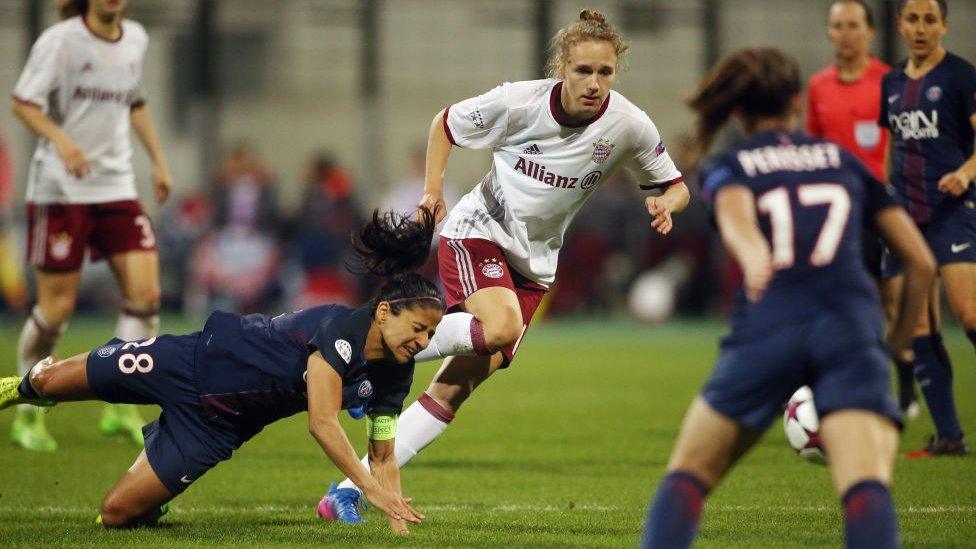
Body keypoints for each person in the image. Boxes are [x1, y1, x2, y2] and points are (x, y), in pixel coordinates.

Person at [324, 9, 690, 521]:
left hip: (535, 264)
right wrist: (433, 192)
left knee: (453, 391)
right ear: (562, 66)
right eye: (583, 70)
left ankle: (345, 489)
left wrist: (665, 204)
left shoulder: (627, 124)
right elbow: (444, 123)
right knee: (499, 326)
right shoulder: (519, 102)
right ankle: (361, 352)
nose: (594, 83)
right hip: (479, 232)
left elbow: (675, 184)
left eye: (605, 73)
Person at [640, 48, 935, 549]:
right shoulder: (844, 162)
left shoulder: (730, 164)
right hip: (851, 328)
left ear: (736, 112)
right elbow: (922, 263)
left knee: (688, 476)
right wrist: (900, 346)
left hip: (771, 324)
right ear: (797, 102)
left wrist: (755, 257)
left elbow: (737, 219)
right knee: (865, 488)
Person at [0, 209, 441, 534]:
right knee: (46, 384)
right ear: (384, 312)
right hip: (190, 361)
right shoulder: (340, 330)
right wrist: (368, 486)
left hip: (219, 425)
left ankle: (158, 475)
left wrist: (394, 516)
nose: (422, 342)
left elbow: (383, 452)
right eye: (418, 328)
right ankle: (20, 385)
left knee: (117, 516)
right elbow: (322, 422)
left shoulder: (396, 375)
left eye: (430, 334)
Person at [10, 0, 174, 451]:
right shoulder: (61, 40)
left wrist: (159, 161)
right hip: (61, 191)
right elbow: (24, 104)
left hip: (116, 186)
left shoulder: (135, 39)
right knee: (56, 311)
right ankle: (26, 407)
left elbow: (135, 102)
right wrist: (63, 142)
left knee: (147, 298)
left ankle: (120, 403)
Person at [806, 1, 920, 417]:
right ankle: (831, 389)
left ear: (871, 32)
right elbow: (813, 147)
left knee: (891, 302)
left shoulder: (891, 82)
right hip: (834, 209)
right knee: (830, 303)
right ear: (829, 32)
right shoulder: (819, 85)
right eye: (837, 26)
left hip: (880, 208)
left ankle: (906, 390)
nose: (845, 33)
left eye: (853, 25)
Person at [879, 0, 976, 458]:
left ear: (944, 26)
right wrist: (884, 198)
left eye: (930, 20)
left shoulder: (960, 76)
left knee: (969, 313)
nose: (921, 28)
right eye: (913, 19)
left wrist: (966, 173)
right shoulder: (893, 82)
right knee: (918, 325)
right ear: (900, 25)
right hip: (904, 217)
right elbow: (893, 144)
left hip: (952, 211)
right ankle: (949, 437)